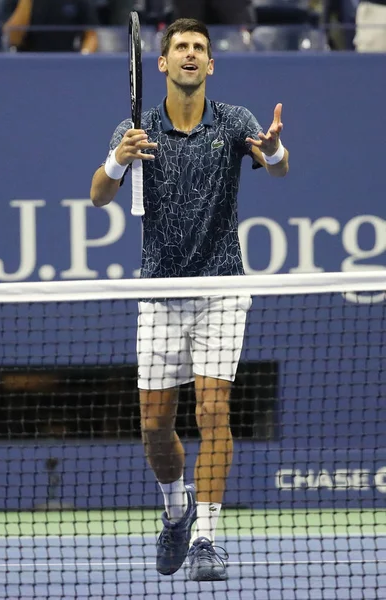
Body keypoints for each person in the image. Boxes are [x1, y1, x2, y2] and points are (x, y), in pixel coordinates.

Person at [90, 17, 289, 581]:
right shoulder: (138, 129)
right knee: (155, 425)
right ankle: (177, 511)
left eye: (200, 47)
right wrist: (118, 161)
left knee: (213, 408)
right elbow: (99, 196)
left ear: (210, 62)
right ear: (162, 63)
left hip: (222, 288)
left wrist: (272, 153)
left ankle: (206, 537)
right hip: (159, 291)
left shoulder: (234, 122)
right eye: (181, 47)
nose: (191, 54)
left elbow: (279, 166)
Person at [2, 0, 98, 53]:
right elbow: (13, 39)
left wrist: (84, 57)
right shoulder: (15, 2)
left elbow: (91, 35)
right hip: (28, 64)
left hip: (66, 62)